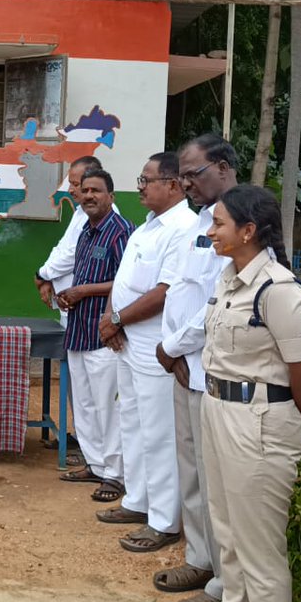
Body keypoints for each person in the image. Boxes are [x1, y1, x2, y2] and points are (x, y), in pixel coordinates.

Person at [200, 184, 301, 602]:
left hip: (258, 423)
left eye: (219, 223)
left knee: (259, 551)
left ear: (248, 230)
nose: (212, 231)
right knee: (229, 538)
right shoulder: (229, 278)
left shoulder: (278, 290)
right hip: (218, 410)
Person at [150, 134, 239, 602]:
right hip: (182, 367)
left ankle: (225, 585)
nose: (185, 183)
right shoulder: (198, 222)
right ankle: (199, 560)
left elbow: (218, 301)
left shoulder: (240, 218)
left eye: (193, 173)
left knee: (219, 485)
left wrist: (173, 345)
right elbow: (180, 290)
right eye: (181, 175)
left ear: (223, 168)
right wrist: (169, 347)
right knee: (192, 475)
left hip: (214, 371)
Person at [94, 152, 197, 555]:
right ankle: (138, 500)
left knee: (159, 432)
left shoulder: (183, 227)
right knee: (132, 422)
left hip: (155, 342)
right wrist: (110, 318)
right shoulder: (148, 225)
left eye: (147, 179)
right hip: (126, 339)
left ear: (172, 184)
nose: (140, 186)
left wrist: (117, 319)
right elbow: (124, 280)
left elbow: (166, 290)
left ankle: (164, 520)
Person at [55, 167, 134, 503]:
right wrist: (68, 293)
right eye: (85, 190)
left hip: (104, 334)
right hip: (78, 329)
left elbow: (128, 282)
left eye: (96, 191)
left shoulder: (121, 232)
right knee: (85, 405)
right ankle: (95, 463)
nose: (88, 196)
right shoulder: (86, 232)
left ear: (111, 197)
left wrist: (83, 291)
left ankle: (115, 475)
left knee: (107, 408)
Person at [35, 155, 101, 324]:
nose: (70, 190)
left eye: (76, 184)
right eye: (70, 183)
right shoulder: (80, 211)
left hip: (84, 305)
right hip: (67, 300)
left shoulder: (100, 214)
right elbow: (61, 247)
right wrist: (45, 275)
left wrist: (43, 274)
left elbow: (75, 254)